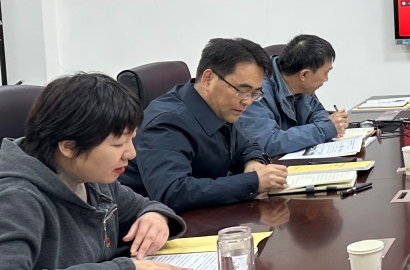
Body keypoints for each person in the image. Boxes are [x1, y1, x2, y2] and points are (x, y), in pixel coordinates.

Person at [0, 73, 191, 270]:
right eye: (118, 144)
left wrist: (155, 216)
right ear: (69, 146)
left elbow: (143, 205)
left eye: (132, 139)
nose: (131, 153)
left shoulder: (91, 177)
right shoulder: (11, 198)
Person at [122, 38, 288, 212]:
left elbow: (246, 144)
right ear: (208, 79)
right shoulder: (166, 123)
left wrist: (253, 162)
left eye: (254, 94)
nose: (247, 101)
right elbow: (172, 193)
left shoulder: (221, 106)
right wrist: (253, 182)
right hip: (157, 221)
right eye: (242, 91)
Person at [240, 34, 348, 157]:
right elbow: (268, 142)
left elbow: (318, 113)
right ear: (304, 75)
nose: (326, 79)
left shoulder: (302, 86)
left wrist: (331, 124)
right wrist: (324, 129)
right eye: (325, 73)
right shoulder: (256, 91)